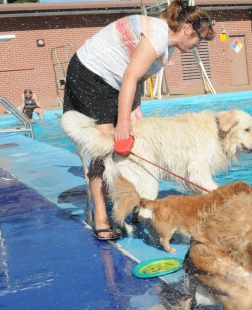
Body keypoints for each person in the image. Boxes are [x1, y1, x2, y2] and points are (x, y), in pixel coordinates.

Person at [63, 0, 214, 241]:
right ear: (187, 29)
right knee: (104, 149)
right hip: (90, 74)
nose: (198, 45)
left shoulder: (168, 47)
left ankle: (129, 204)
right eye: (199, 38)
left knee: (128, 148)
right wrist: (123, 123)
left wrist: (135, 109)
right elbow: (131, 75)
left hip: (114, 81)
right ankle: (101, 218)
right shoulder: (157, 35)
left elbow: (139, 76)